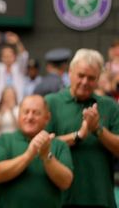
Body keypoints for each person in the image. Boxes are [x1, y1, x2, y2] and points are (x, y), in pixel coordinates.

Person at [45, 49, 119, 208]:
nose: (85, 82)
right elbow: (41, 145)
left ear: (98, 78)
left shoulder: (110, 106)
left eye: (91, 78)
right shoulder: (51, 103)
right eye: (81, 75)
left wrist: (98, 130)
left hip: (100, 198)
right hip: (61, 200)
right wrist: (78, 136)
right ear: (70, 72)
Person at [0, 95, 73, 208]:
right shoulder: (5, 140)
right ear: (18, 115)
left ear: (47, 118)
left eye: (36, 113)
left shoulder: (58, 145)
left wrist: (47, 156)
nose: (30, 117)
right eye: (26, 112)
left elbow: (66, 182)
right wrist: (29, 154)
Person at [0, 31, 29, 112]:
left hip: (17, 104)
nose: (8, 58)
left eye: (10, 56)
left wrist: (17, 43)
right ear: (1, 58)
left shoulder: (19, 68)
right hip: (0, 106)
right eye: (5, 56)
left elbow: (24, 57)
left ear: (14, 57)